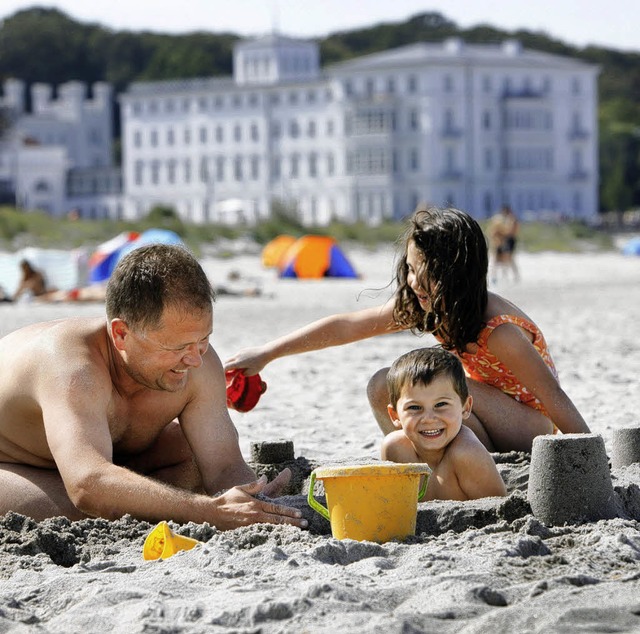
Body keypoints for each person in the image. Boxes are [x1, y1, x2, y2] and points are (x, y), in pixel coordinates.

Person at [225, 206, 590, 453]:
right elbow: (347, 327)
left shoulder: (498, 330)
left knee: (431, 385)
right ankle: (422, 463)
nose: (413, 281)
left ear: (455, 276)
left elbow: (552, 397)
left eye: (425, 273)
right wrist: (268, 354)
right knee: (384, 384)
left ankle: (452, 459)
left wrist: (589, 457)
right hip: (479, 413)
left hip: (526, 425)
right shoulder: (430, 306)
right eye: (410, 269)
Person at [0, 244, 307, 530]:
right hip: (13, 463)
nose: (195, 360)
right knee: (91, 509)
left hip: (93, 455)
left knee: (192, 457)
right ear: (121, 334)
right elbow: (87, 486)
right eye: (178, 346)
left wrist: (255, 499)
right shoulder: (71, 368)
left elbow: (224, 467)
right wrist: (211, 512)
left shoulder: (197, 360)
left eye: (204, 340)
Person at [382, 347, 506, 501]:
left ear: (465, 407)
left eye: (441, 405)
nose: (429, 418)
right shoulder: (395, 450)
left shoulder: (466, 453)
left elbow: (501, 511)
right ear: (395, 415)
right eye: (414, 407)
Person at [488, 205, 519, 283]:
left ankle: (508, 275)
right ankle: (498, 276)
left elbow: (511, 232)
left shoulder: (511, 219)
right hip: (500, 242)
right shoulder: (501, 220)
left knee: (507, 258)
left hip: (506, 241)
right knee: (499, 259)